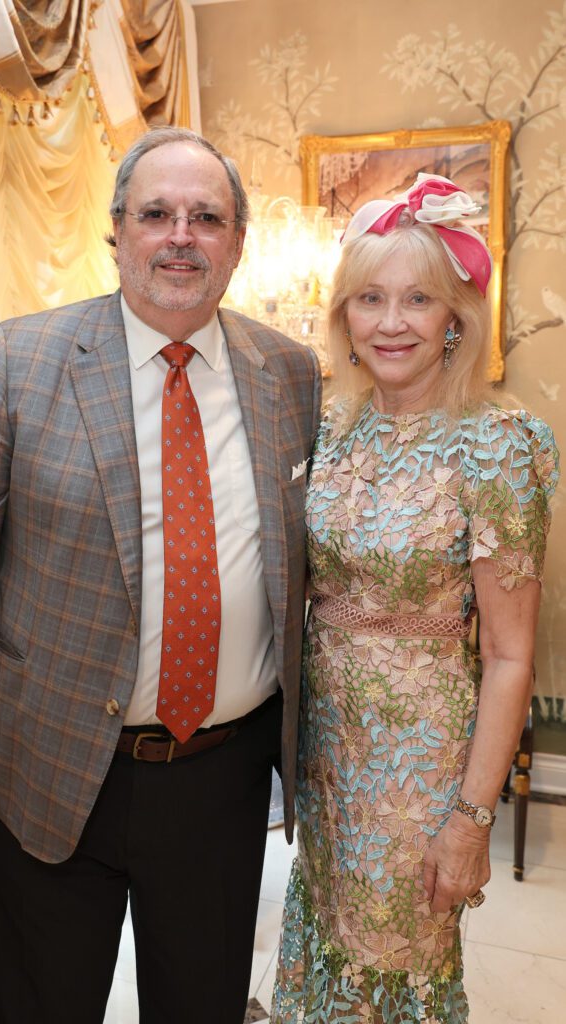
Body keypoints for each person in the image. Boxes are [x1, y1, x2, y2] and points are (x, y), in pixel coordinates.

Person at [0, 126, 322, 1024]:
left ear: (237, 241)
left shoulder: (288, 372)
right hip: (50, 767)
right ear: (118, 232)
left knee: (201, 1005)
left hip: (223, 774)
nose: (181, 235)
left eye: (206, 217)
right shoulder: (26, 358)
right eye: (156, 214)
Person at [271, 174, 559, 1023]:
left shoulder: (499, 447)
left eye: (416, 300)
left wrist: (471, 820)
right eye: (369, 298)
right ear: (344, 318)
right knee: (324, 935)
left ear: (453, 319)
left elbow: (510, 655)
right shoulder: (324, 428)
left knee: (400, 960)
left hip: (419, 762)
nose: (390, 322)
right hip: (326, 751)